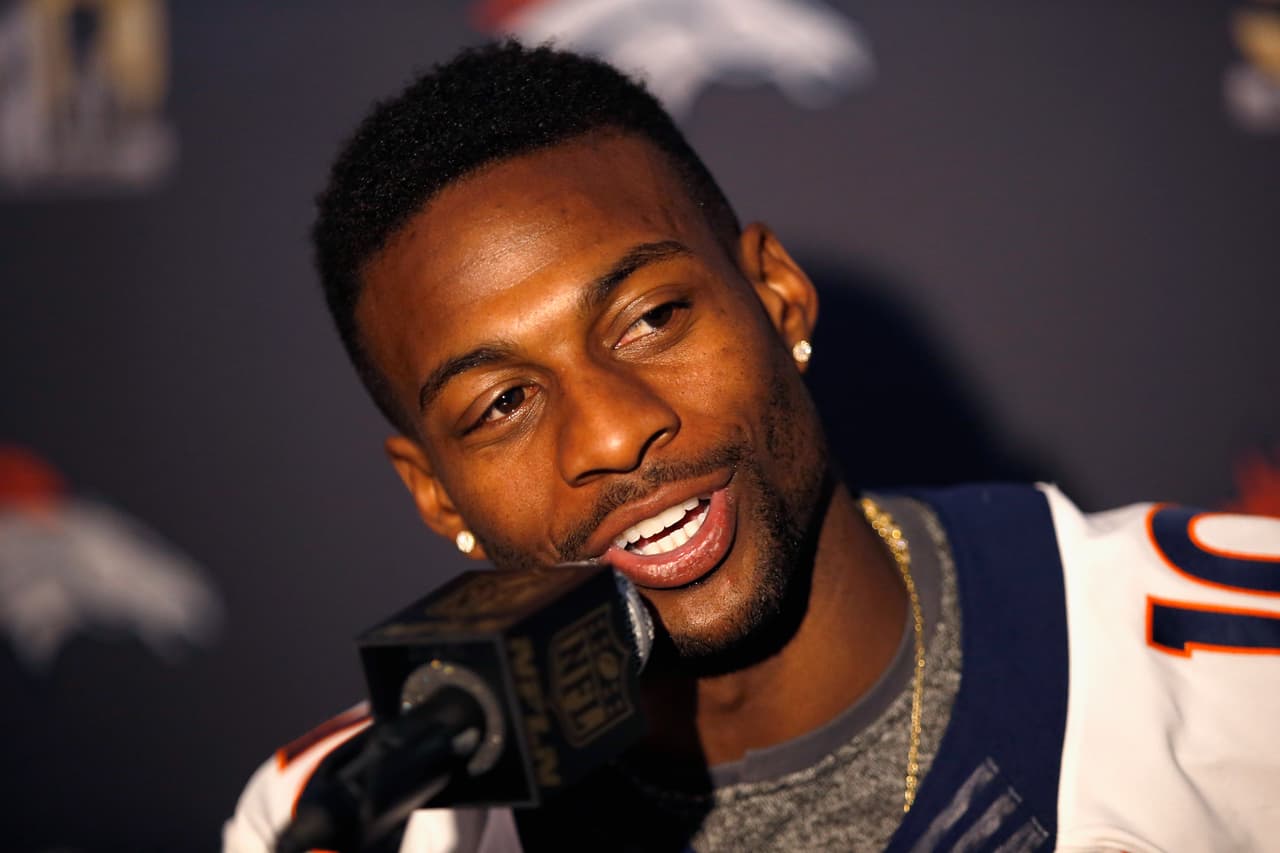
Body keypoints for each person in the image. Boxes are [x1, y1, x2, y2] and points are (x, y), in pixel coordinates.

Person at [223, 42, 1280, 853]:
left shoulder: (1238, 674)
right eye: (501, 403)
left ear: (775, 297)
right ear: (435, 494)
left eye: (650, 318)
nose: (610, 430)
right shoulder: (344, 812)